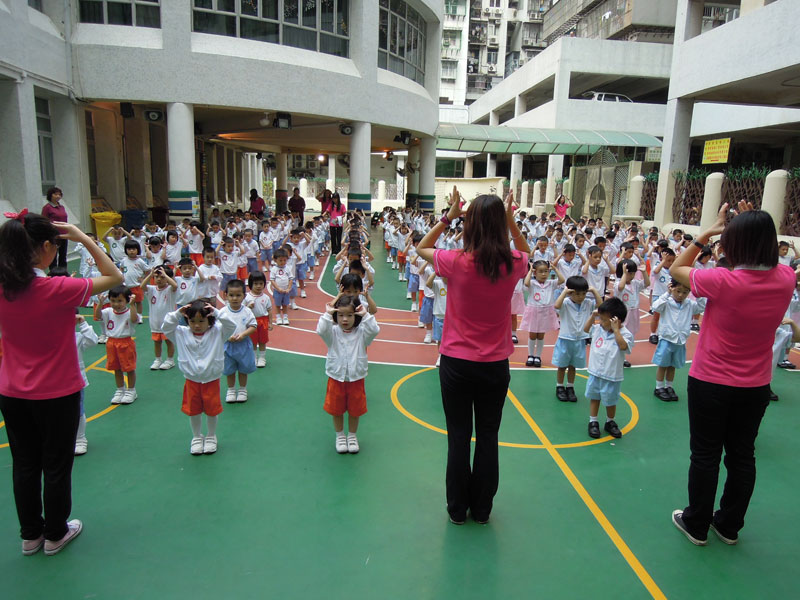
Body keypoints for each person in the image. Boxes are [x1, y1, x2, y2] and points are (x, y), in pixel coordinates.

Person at [668, 201, 795, 547]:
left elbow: (676, 267)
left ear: (733, 244)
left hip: (711, 381)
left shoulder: (723, 281)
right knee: (742, 455)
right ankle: (728, 525)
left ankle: (696, 523)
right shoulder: (785, 278)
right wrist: (753, 221)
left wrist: (707, 232)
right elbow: (767, 254)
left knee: (705, 454)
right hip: (754, 385)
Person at [0, 211, 122, 556]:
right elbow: (114, 276)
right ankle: (55, 533)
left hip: (11, 391)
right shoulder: (57, 288)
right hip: (57, 392)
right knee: (56, 464)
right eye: (55, 245)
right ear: (44, 248)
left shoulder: (5, 288)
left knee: (24, 465)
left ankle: (30, 535)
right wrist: (83, 238)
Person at [416, 186, 530, 525]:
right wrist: (510, 220)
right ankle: (482, 510)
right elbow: (528, 252)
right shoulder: (514, 263)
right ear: (500, 225)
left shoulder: (455, 262)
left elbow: (422, 246)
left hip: (456, 364)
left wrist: (448, 215)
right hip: (495, 365)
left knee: (458, 437)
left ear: (470, 225)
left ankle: (457, 509)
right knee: (489, 436)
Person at [163, 301, 237, 455]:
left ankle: (211, 435)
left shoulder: (217, 332)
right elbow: (166, 327)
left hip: (211, 379)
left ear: (209, 320)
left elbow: (231, 325)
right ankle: (196, 437)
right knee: (194, 411)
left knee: (212, 410)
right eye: (192, 321)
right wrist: (177, 313)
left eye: (201, 321)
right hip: (192, 380)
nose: (197, 325)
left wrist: (216, 312)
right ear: (187, 320)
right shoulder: (181, 333)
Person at [316, 293, 380, 454]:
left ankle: (352, 436)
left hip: (356, 378)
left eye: (350, 315)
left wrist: (365, 314)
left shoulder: (362, 333)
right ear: (336, 316)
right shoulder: (333, 333)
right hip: (336, 377)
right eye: (341, 315)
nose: (345, 319)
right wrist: (328, 313)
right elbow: (320, 330)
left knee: (355, 410)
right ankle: (340, 436)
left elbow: (374, 330)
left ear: (355, 315)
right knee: (336, 410)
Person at [582, 297, 634, 439]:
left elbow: (623, 347)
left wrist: (616, 330)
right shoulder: (599, 329)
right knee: (595, 397)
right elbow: (586, 329)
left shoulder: (625, 334)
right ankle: (593, 421)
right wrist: (593, 316)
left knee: (611, 400)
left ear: (616, 321)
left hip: (612, 375)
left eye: (605, 320)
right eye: (601, 319)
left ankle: (610, 421)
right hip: (595, 372)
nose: (601, 322)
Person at [651, 280, 706, 402]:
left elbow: (702, 307)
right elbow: (655, 306)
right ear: (672, 288)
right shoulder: (667, 302)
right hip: (667, 339)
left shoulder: (690, 304)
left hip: (680, 341)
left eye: (685, 292)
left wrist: (699, 294)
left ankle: (669, 386)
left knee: (673, 365)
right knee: (663, 365)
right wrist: (666, 294)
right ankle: (659, 387)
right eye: (678, 291)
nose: (681, 295)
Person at [553, 276, 601, 402]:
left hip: (580, 340)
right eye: (577, 294)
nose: (581, 297)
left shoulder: (588, 303)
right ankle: (559, 387)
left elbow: (601, 307)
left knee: (573, 365)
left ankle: (570, 386)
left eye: (584, 294)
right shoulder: (565, 303)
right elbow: (556, 306)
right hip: (565, 339)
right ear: (570, 293)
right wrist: (564, 292)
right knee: (562, 365)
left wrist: (594, 291)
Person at [95, 285, 138, 405]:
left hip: (125, 342)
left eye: (120, 301)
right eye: (113, 300)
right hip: (111, 342)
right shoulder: (108, 311)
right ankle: (120, 389)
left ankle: (131, 390)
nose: (116, 304)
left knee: (129, 368)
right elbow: (98, 316)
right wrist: (100, 303)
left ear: (127, 300)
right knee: (116, 368)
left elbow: (134, 320)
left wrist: (133, 305)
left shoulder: (129, 312)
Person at [520, 259, 564, 367]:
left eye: (546, 271)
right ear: (535, 272)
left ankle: (538, 356)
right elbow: (526, 283)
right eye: (540, 271)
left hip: (546, 312)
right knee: (532, 334)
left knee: (540, 335)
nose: (544, 274)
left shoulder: (551, 283)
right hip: (533, 311)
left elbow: (562, 280)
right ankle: (530, 355)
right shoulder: (532, 283)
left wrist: (555, 269)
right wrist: (530, 271)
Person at [219, 280, 257, 403]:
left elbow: (253, 326)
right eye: (231, 295)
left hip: (243, 345)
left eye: (238, 295)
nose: (234, 298)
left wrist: (243, 334)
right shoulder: (223, 312)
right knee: (229, 369)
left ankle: (242, 389)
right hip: (228, 346)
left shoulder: (247, 311)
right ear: (225, 295)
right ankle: (231, 390)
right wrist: (227, 336)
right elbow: (218, 327)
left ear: (244, 296)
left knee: (243, 368)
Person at [141, 265, 178, 370]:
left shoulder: (170, 290)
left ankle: (170, 360)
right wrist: (150, 275)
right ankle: (158, 359)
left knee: (168, 341)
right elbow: (142, 286)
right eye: (156, 277)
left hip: (167, 322)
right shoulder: (152, 289)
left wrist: (165, 274)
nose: (159, 279)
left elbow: (175, 285)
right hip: (155, 322)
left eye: (162, 277)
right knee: (157, 342)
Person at [246, 271, 273, 368]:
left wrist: (270, 323)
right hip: (251, 322)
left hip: (263, 321)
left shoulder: (266, 298)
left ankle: (262, 358)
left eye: (261, 284)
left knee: (262, 340)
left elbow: (269, 310)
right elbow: (243, 310)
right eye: (256, 284)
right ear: (250, 284)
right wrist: (248, 306)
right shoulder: (247, 297)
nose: (258, 286)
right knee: (252, 341)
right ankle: (253, 357)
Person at [42, 187, 69, 269]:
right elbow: (44, 221)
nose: (58, 196)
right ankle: (53, 272)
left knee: (63, 255)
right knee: (53, 255)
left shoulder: (62, 207)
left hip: (64, 234)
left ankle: (63, 272)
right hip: (53, 235)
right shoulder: (47, 207)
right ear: (50, 195)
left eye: (59, 194)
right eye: (55, 194)